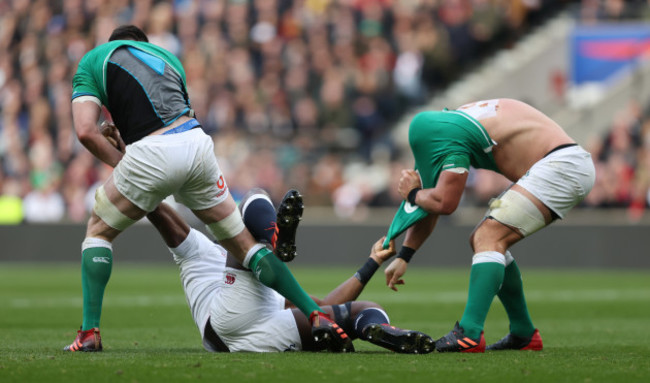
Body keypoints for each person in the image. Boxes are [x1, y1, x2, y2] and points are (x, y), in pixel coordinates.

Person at [64, 25, 349, 352]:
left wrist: (123, 163)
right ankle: (315, 312)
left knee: (98, 231)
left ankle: (89, 334)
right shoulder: (169, 59)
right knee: (243, 244)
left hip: (153, 152)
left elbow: (86, 132)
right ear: (145, 45)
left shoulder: (94, 59)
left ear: (113, 44)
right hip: (197, 144)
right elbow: (177, 119)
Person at [382, 98, 596, 352]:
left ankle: (470, 333)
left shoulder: (448, 137)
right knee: (484, 240)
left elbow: (444, 203)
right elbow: (433, 200)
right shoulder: (456, 123)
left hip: (561, 165)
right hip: (563, 162)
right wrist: (405, 254)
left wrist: (412, 194)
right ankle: (523, 333)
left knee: (488, 237)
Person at [154, 188, 435, 353]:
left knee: (360, 309)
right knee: (252, 196)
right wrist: (129, 168)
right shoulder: (199, 248)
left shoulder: (264, 282)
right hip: (226, 319)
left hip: (246, 336)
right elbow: (157, 209)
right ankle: (277, 238)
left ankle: (378, 329)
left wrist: (372, 261)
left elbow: (325, 305)